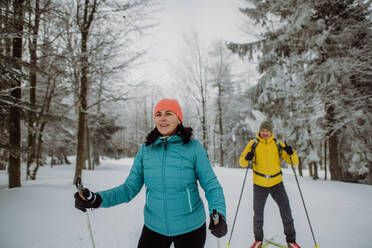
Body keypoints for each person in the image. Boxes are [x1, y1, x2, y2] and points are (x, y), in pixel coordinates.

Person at [74, 98, 227, 248]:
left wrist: (219, 214)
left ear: (179, 118)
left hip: (191, 227)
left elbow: (212, 186)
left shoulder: (193, 148)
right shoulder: (146, 150)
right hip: (154, 226)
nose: (163, 118)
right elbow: (129, 189)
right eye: (158, 114)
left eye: (168, 113)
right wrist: (97, 199)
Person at [239, 120, 301, 248]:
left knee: (286, 212)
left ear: (271, 132)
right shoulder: (253, 144)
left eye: (267, 130)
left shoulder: (277, 144)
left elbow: (294, 162)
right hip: (260, 185)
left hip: (276, 183)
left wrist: (291, 152)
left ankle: (291, 241)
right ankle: (258, 240)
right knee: (258, 214)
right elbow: (242, 163)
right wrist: (247, 157)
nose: (265, 133)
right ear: (259, 131)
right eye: (263, 130)